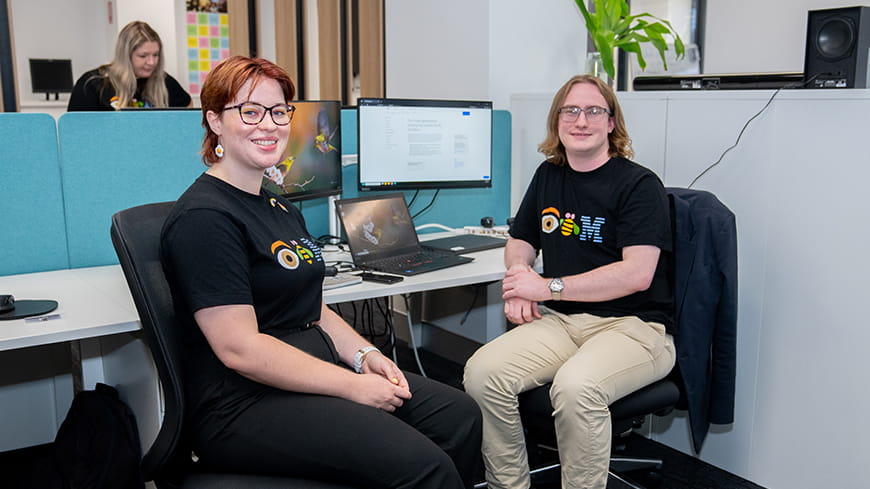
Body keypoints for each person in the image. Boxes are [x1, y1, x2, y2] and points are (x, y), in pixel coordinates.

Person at [160, 55, 481, 489]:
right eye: (249, 112)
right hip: (242, 403)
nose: (268, 125)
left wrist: (366, 357)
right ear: (215, 121)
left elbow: (313, 308)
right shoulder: (205, 217)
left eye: (278, 111)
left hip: (311, 370)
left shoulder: (278, 205)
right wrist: (352, 387)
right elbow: (241, 350)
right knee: (425, 467)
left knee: (459, 416)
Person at [463, 75, 676, 489]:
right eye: (571, 110)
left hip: (634, 327)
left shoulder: (638, 184)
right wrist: (518, 277)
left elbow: (637, 273)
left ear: (612, 123)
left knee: (577, 389)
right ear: (557, 120)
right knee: (482, 373)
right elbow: (521, 240)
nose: (581, 120)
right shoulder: (549, 175)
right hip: (562, 322)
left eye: (594, 111)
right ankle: (509, 485)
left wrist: (545, 288)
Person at [67, 21, 191, 111]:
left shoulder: (164, 81)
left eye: (156, 55)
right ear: (125, 56)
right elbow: (76, 130)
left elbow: (188, 109)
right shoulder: (93, 84)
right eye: (143, 56)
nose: (151, 62)